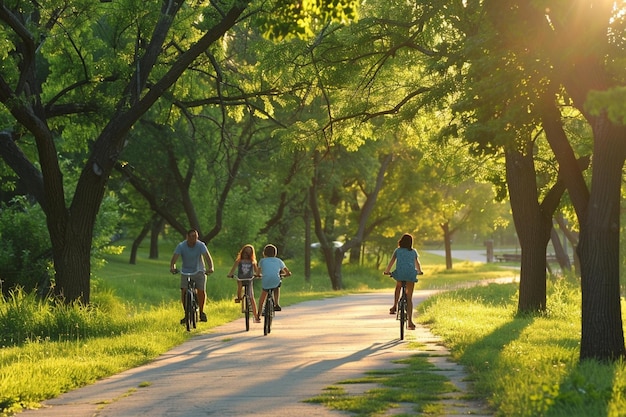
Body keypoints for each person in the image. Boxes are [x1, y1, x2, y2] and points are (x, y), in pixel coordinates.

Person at [170, 229, 214, 323]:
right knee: (184, 291)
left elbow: (207, 257)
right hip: (185, 271)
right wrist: (172, 267)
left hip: (199, 271)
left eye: (196, 236)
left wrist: (211, 267)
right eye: (192, 236)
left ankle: (201, 312)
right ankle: (186, 314)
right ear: (187, 237)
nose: (194, 238)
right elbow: (174, 258)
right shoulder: (181, 246)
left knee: (201, 291)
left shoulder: (200, 245)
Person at [383, 233, 423, 330]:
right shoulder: (413, 252)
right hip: (410, 274)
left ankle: (394, 306)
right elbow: (417, 263)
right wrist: (420, 271)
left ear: (401, 241)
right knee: (409, 298)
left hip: (400, 274)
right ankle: (410, 322)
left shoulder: (397, 251)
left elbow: (392, 262)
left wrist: (387, 271)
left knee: (398, 287)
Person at [256, 244, 291, 321]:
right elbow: (287, 273)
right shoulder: (279, 261)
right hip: (276, 279)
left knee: (262, 297)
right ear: (275, 253)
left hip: (266, 280)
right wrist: (285, 275)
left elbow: (258, 273)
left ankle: (258, 315)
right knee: (277, 286)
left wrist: (259, 276)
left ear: (264, 253)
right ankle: (276, 303)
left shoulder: (262, 261)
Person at [227, 244, 260, 323]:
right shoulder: (239, 261)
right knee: (239, 287)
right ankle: (239, 297)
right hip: (240, 278)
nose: (246, 255)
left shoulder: (252, 262)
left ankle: (256, 316)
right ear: (242, 253)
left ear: (251, 254)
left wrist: (258, 274)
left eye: (248, 253)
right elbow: (233, 268)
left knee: (251, 297)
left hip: (249, 279)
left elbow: (256, 271)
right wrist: (230, 274)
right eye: (245, 253)